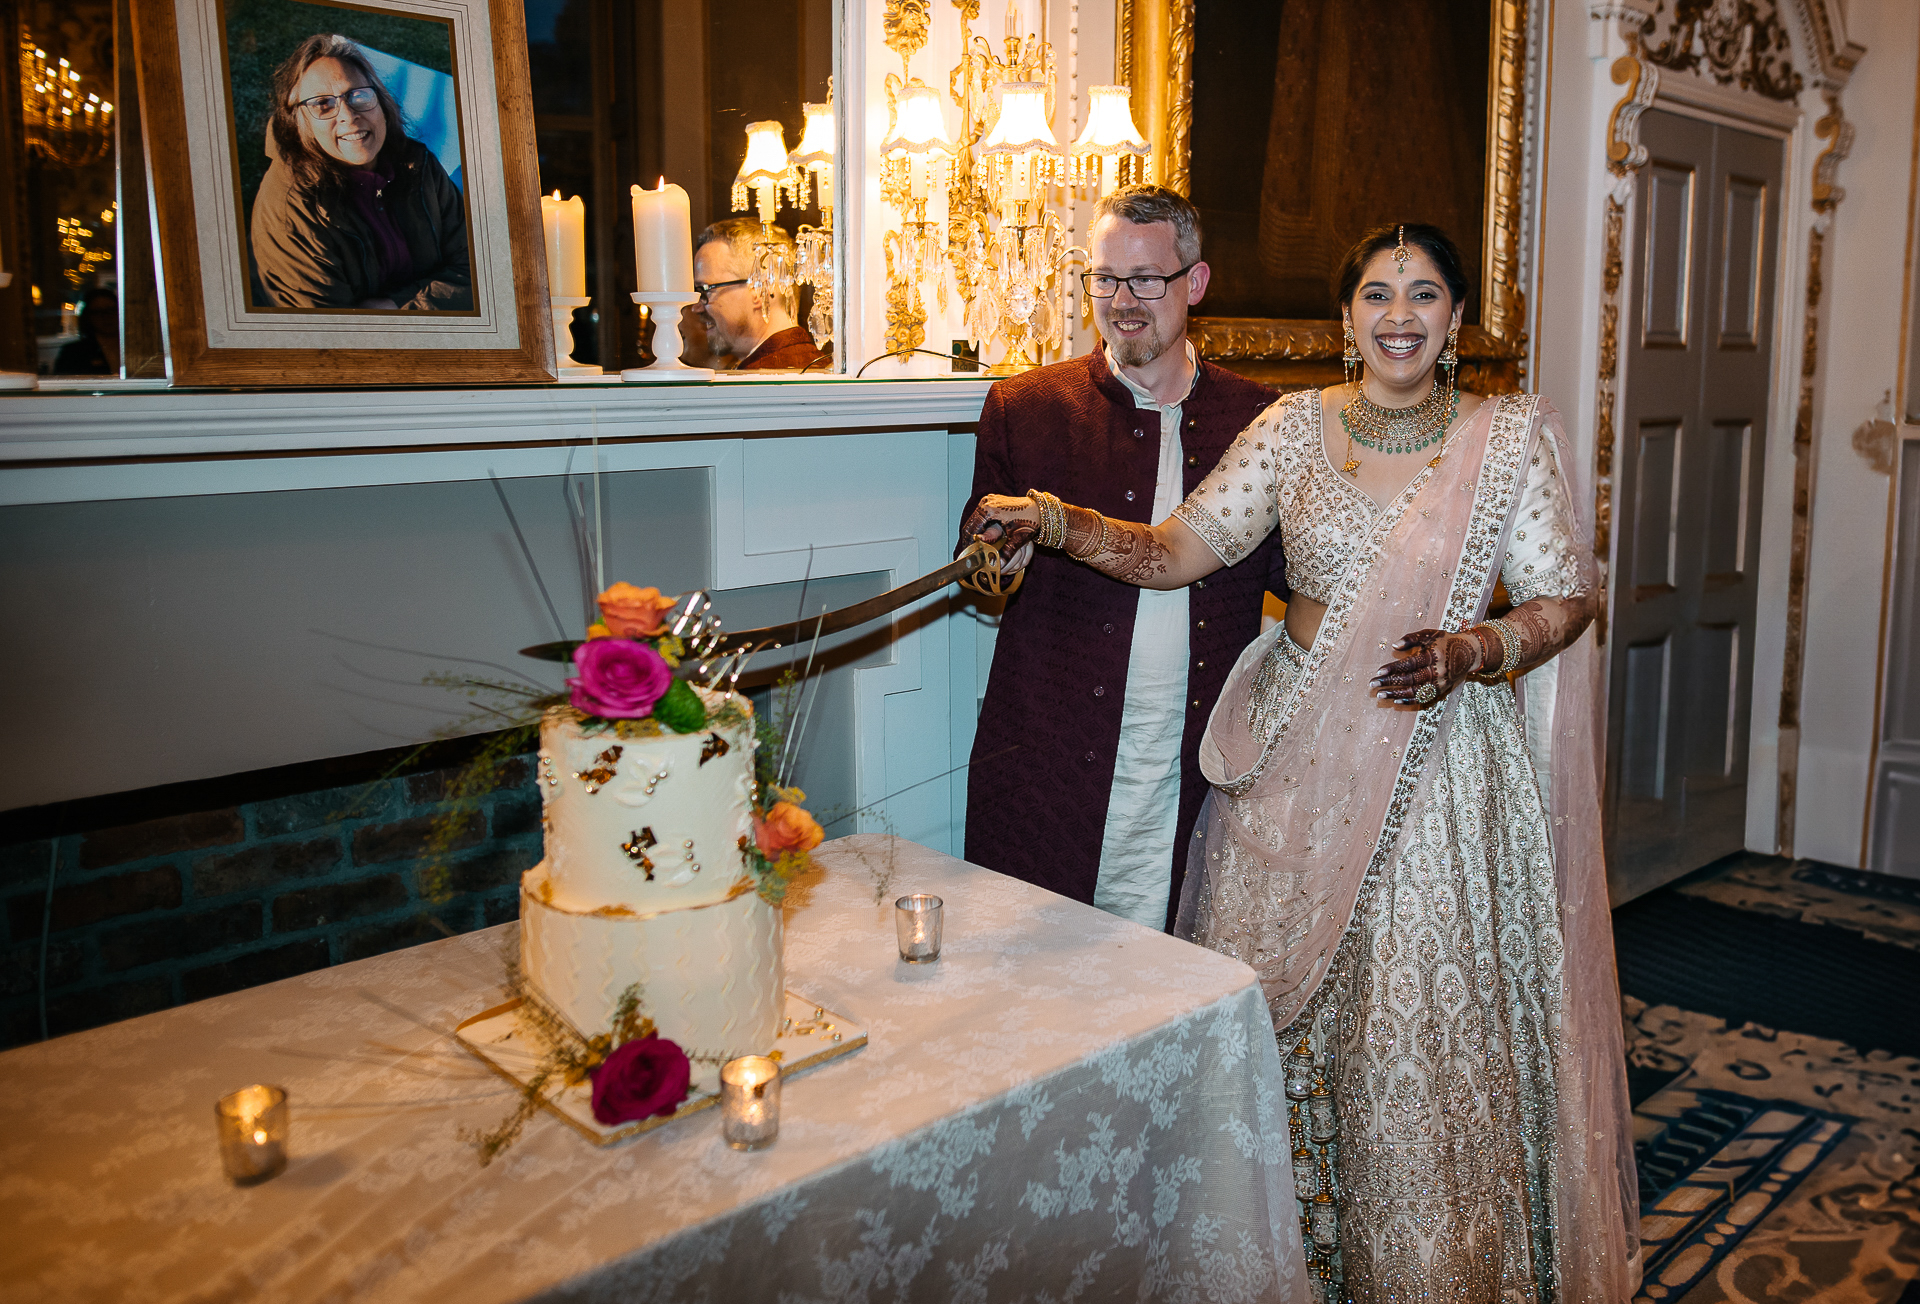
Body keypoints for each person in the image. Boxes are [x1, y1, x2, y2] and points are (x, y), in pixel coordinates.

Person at [963, 224, 1637, 1301]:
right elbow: (1175, 547)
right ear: (1347, 318)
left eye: (1424, 294)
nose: (1399, 315)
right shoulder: (1291, 430)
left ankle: (1421, 1267)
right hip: (1289, 753)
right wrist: (1054, 520)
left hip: (1438, 761)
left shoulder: (1506, 438)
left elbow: (1565, 595)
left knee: (1409, 1029)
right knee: (1273, 1016)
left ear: (1457, 320)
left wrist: (1477, 646)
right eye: (1377, 292)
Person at [959, 184, 1288, 933]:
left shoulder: (1260, 420)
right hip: (1051, 765)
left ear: (1194, 284)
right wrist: (997, 562)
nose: (1122, 299)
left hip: (1196, 765)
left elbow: (1297, 578)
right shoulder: (1026, 407)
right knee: (1042, 985)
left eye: (1146, 279)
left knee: (1178, 986)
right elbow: (977, 570)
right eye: (1104, 278)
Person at [250, 34, 472, 312]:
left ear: (381, 102)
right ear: (300, 121)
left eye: (358, 95)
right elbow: (327, 331)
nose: (348, 115)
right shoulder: (291, 210)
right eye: (323, 104)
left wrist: (393, 306)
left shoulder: (419, 165)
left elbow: (476, 268)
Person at [691, 219, 828, 370]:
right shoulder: (809, 366)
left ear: (761, 288)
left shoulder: (765, 379)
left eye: (706, 289)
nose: (696, 307)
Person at [53, 287, 119, 376]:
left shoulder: (135, 347)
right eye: (98, 312)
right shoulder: (73, 354)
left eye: (111, 310)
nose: (105, 317)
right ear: (88, 316)